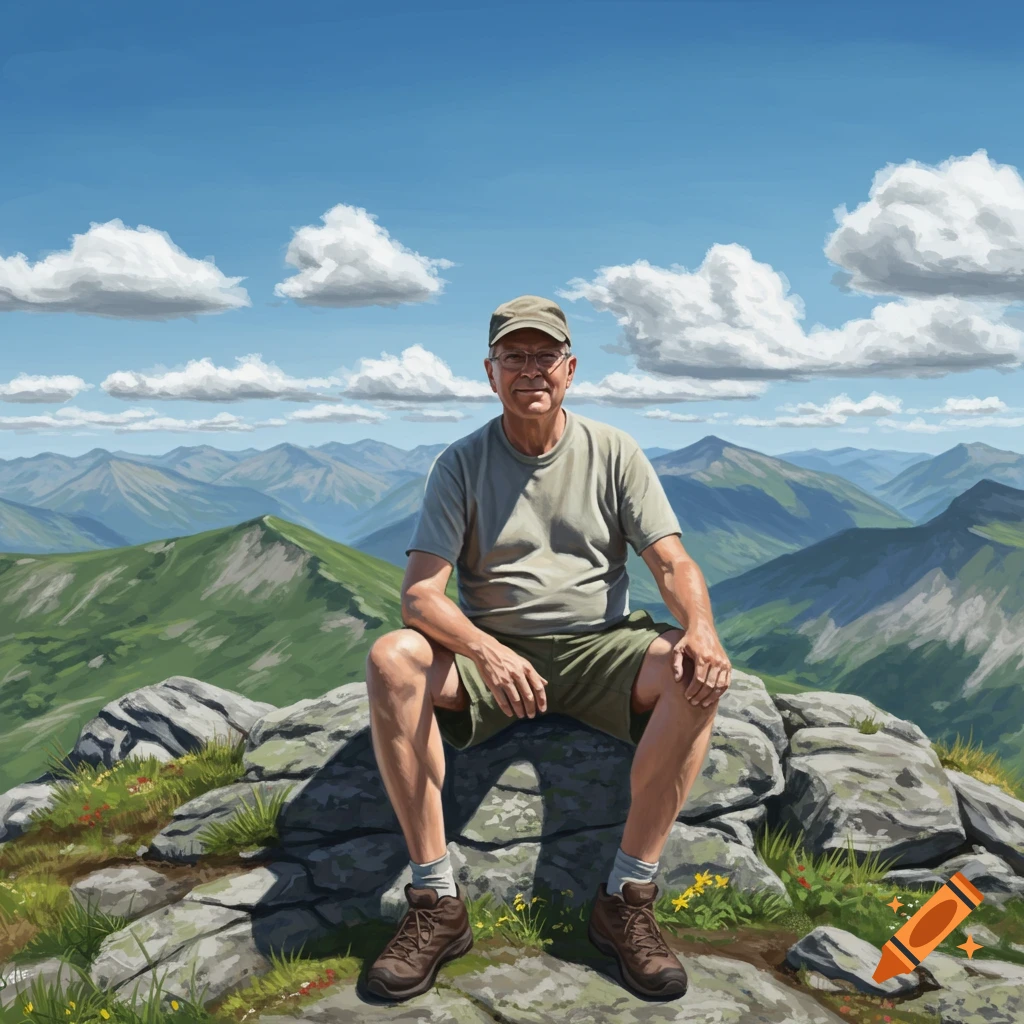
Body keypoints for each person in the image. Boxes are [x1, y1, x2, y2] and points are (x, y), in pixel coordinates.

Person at [363, 294, 732, 1003]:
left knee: (694, 674)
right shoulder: (462, 463)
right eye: (514, 356)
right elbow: (420, 596)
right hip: (491, 650)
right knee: (391, 658)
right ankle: (437, 902)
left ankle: (626, 897)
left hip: (604, 646)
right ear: (489, 371)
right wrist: (488, 652)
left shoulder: (614, 451)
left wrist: (701, 629)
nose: (529, 369)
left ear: (570, 368)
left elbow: (670, 562)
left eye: (543, 356)